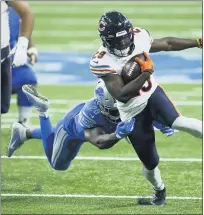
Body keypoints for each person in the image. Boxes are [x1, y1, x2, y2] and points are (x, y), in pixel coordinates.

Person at [89, 11, 202, 205]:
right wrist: (146, 72)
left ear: (131, 32)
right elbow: (122, 94)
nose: (124, 44)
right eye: (118, 41)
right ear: (106, 41)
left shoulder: (140, 36)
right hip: (131, 112)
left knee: (180, 122)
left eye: (126, 38)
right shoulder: (102, 60)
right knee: (150, 163)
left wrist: (198, 42)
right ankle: (159, 190)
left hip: (152, 96)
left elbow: (167, 44)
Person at [8, 80, 174, 171]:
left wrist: (159, 122)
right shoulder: (92, 114)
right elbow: (98, 141)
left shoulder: (121, 101)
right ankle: (42, 112)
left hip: (95, 124)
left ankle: (24, 133)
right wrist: (118, 134)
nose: (122, 108)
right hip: (72, 130)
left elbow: (140, 111)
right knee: (58, 165)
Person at [1, 0, 34, 114]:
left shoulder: (14, 12)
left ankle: (23, 123)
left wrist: (25, 46)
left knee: (2, 107)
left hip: (4, 57)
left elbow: (26, 14)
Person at [9, 7, 38, 125]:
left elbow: (23, 23)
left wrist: (30, 47)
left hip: (6, 59)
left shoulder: (14, 9)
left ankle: (23, 122)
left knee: (28, 79)